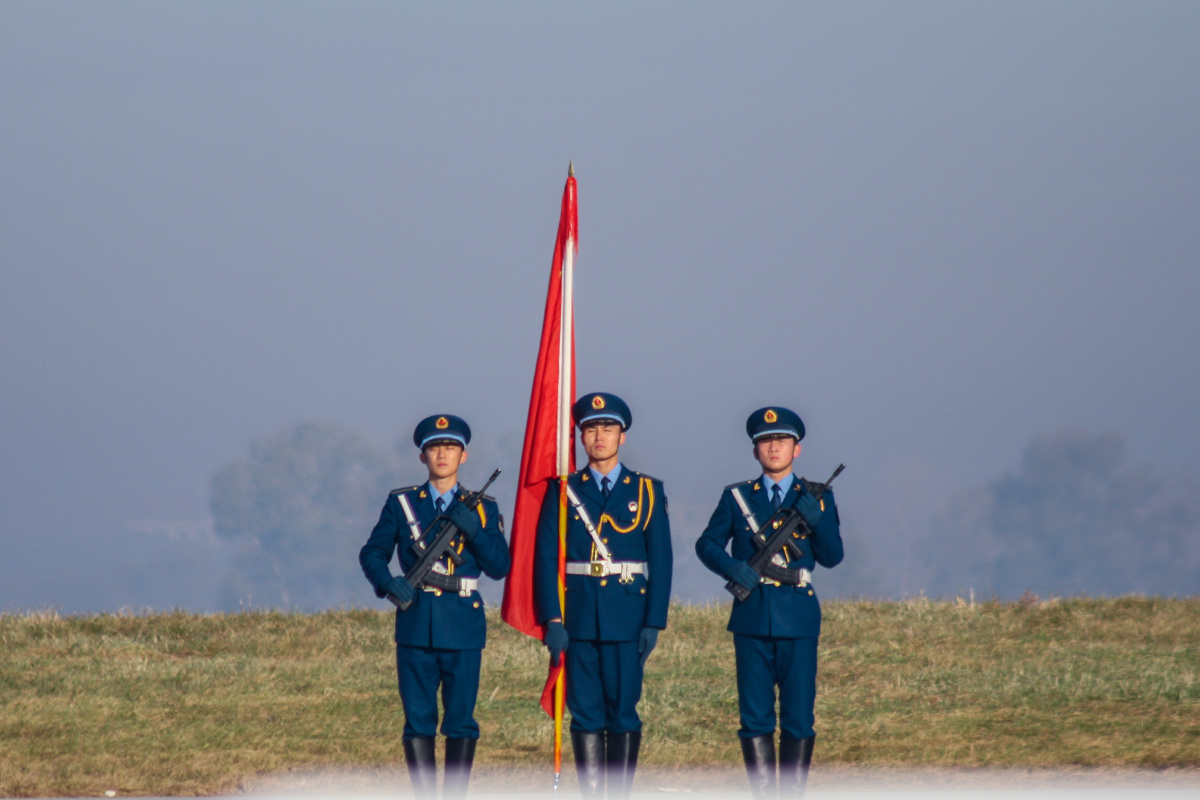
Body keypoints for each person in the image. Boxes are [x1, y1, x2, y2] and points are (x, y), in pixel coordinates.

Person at [359, 414, 511, 800]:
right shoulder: (402, 504)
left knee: (460, 723)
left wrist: (474, 531)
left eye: (450, 447)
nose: (442, 454)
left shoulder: (483, 508)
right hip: (416, 623)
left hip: (462, 623)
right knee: (419, 722)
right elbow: (372, 552)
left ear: (464, 455)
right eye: (434, 448)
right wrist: (387, 582)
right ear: (423, 456)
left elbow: (499, 567)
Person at [694, 407, 843, 799]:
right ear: (755, 450)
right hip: (752, 617)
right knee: (755, 718)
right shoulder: (737, 497)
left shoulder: (817, 497)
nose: (774, 447)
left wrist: (819, 520)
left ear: (798, 449)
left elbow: (833, 556)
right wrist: (732, 568)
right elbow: (706, 544)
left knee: (798, 719)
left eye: (782, 440)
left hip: (798, 618)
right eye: (765, 441)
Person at [533, 392, 673, 799]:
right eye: (591, 428)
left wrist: (653, 622)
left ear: (622, 437)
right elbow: (545, 561)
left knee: (623, 712)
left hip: (627, 618)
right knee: (585, 714)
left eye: (608, 428)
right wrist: (553, 621)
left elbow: (661, 562)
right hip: (577, 617)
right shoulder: (562, 491)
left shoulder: (646, 491)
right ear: (579, 436)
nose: (599, 436)